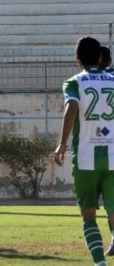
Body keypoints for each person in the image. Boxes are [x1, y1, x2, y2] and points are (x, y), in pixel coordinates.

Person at [54, 36, 114, 266]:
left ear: (77, 60)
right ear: (100, 58)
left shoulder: (74, 82)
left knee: (88, 214)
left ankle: (100, 264)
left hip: (86, 157)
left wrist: (62, 143)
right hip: (113, 157)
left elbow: (72, 107)